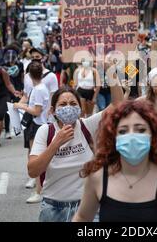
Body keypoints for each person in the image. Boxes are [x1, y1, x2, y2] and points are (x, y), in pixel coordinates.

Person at [72, 100, 157, 222]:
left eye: (141, 130)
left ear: (153, 135)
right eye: (123, 131)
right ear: (113, 137)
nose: (131, 136)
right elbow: (82, 217)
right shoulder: (97, 177)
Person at [27, 67, 124, 222]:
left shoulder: (87, 126)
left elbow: (118, 105)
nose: (68, 107)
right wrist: (55, 143)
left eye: (73, 103)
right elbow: (33, 170)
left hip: (87, 207)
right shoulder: (46, 131)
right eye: (63, 104)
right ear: (53, 110)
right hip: (53, 208)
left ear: (79, 109)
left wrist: (111, 71)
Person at [14, 62, 50, 204]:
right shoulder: (40, 88)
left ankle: (39, 192)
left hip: (37, 126)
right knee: (35, 157)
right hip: (37, 125)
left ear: (28, 75)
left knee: (36, 159)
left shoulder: (39, 89)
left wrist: (21, 105)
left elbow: (37, 111)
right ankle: (39, 189)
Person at [3, 45, 24, 139]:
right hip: (7, 89)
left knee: (16, 108)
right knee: (7, 109)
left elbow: (22, 76)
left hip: (18, 88)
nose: (11, 61)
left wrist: (23, 89)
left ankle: (17, 128)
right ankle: (7, 130)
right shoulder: (3, 66)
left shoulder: (20, 64)